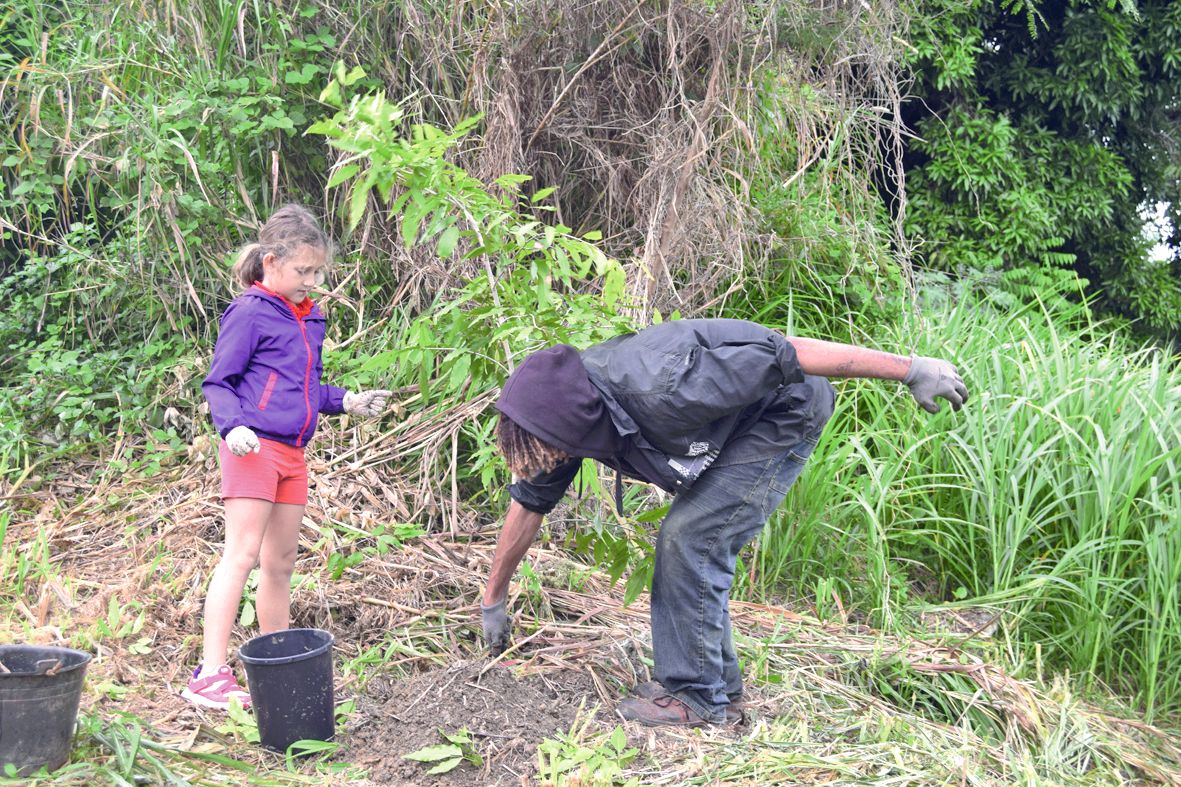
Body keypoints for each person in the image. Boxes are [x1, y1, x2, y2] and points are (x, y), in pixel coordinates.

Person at [479, 319, 968, 727]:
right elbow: (529, 502)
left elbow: (787, 352)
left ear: (567, 419)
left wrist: (910, 369)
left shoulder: (661, 385)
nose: (553, 457)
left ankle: (696, 700)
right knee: (691, 539)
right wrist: (493, 600)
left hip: (785, 412)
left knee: (691, 538)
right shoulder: (570, 411)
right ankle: (719, 687)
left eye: (550, 448)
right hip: (738, 424)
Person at [184, 204, 391, 710]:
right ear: (271, 262)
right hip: (253, 448)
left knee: (279, 562)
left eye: (317, 272)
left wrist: (347, 401)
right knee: (243, 554)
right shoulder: (250, 311)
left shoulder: (309, 316)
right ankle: (209, 674)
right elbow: (219, 382)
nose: (311, 281)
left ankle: (276, 663)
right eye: (303, 271)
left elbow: (305, 389)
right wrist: (232, 427)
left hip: (294, 455)